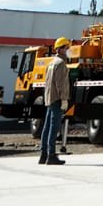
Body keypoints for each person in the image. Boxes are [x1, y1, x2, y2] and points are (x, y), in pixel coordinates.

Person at [39, 37, 70, 166]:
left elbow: (47, 83)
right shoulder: (61, 63)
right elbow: (60, 84)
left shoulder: (51, 63)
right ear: (61, 49)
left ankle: (43, 154)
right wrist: (64, 99)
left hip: (50, 98)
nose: (68, 50)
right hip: (57, 99)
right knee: (54, 127)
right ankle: (51, 155)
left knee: (47, 127)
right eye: (66, 48)